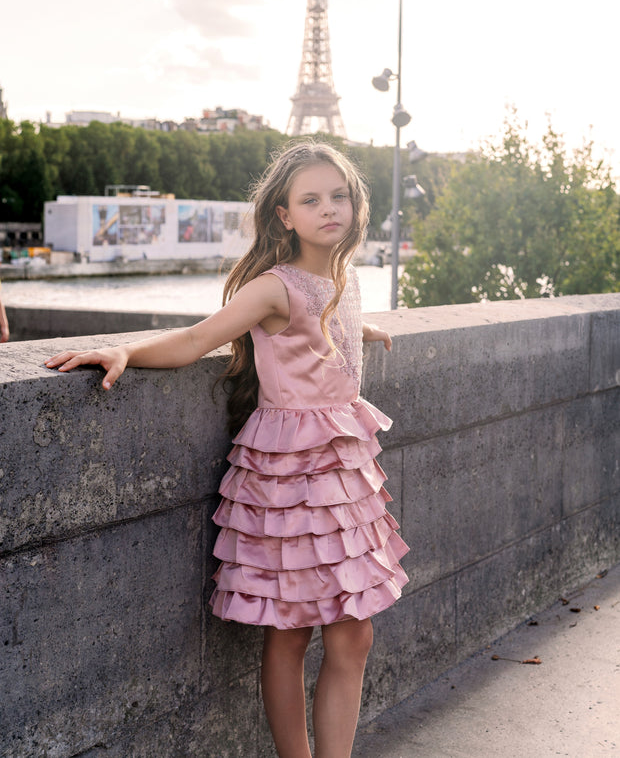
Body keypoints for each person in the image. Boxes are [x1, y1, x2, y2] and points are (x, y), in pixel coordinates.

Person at [45, 141, 409, 758]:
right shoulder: (273, 288)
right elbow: (195, 340)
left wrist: (356, 326)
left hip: (344, 473)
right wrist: (127, 352)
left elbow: (319, 328)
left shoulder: (343, 280)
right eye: (311, 200)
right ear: (284, 216)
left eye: (339, 196)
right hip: (291, 476)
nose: (329, 209)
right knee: (290, 632)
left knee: (354, 635)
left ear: (356, 205)